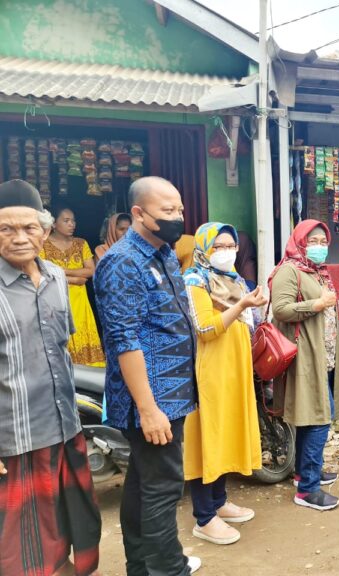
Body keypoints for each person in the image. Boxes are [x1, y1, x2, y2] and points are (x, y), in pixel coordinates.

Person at [94, 176, 201, 575]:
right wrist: (148, 409)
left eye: (180, 210)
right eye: (167, 211)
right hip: (152, 398)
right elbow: (124, 339)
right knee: (163, 488)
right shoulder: (123, 262)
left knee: (144, 483)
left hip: (172, 392)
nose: (177, 217)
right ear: (138, 213)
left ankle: (141, 567)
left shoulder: (164, 253)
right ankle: (169, 569)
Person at [0, 179, 101, 576]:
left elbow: (61, 349)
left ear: (44, 232)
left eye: (29, 228)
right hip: (17, 435)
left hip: (65, 425)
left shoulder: (58, 278)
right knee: (24, 544)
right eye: (6, 229)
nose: (19, 238)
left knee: (74, 519)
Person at [183, 222, 266, 543]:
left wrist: (254, 304)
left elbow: (245, 323)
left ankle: (219, 502)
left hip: (234, 368)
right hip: (210, 370)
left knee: (226, 432)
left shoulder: (234, 279)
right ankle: (204, 517)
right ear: (204, 249)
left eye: (231, 246)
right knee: (208, 436)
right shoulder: (195, 279)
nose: (226, 251)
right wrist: (242, 305)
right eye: (218, 246)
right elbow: (205, 328)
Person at [270, 219, 339, 510]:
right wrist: (316, 305)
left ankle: (304, 472)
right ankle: (307, 490)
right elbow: (281, 310)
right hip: (305, 356)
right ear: (300, 243)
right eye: (312, 241)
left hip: (323, 356)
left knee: (313, 416)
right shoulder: (289, 270)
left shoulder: (316, 271)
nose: (319, 247)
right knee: (319, 418)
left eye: (322, 242)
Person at [40, 205, 105, 367]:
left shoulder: (81, 244)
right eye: (66, 220)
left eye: (73, 221)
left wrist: (61, 271)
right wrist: (75, 279)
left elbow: (91, 270)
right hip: (55, 299)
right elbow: (43, 272)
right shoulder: (43, 244)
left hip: (80, 302)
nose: (72, 224)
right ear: (54, 224)